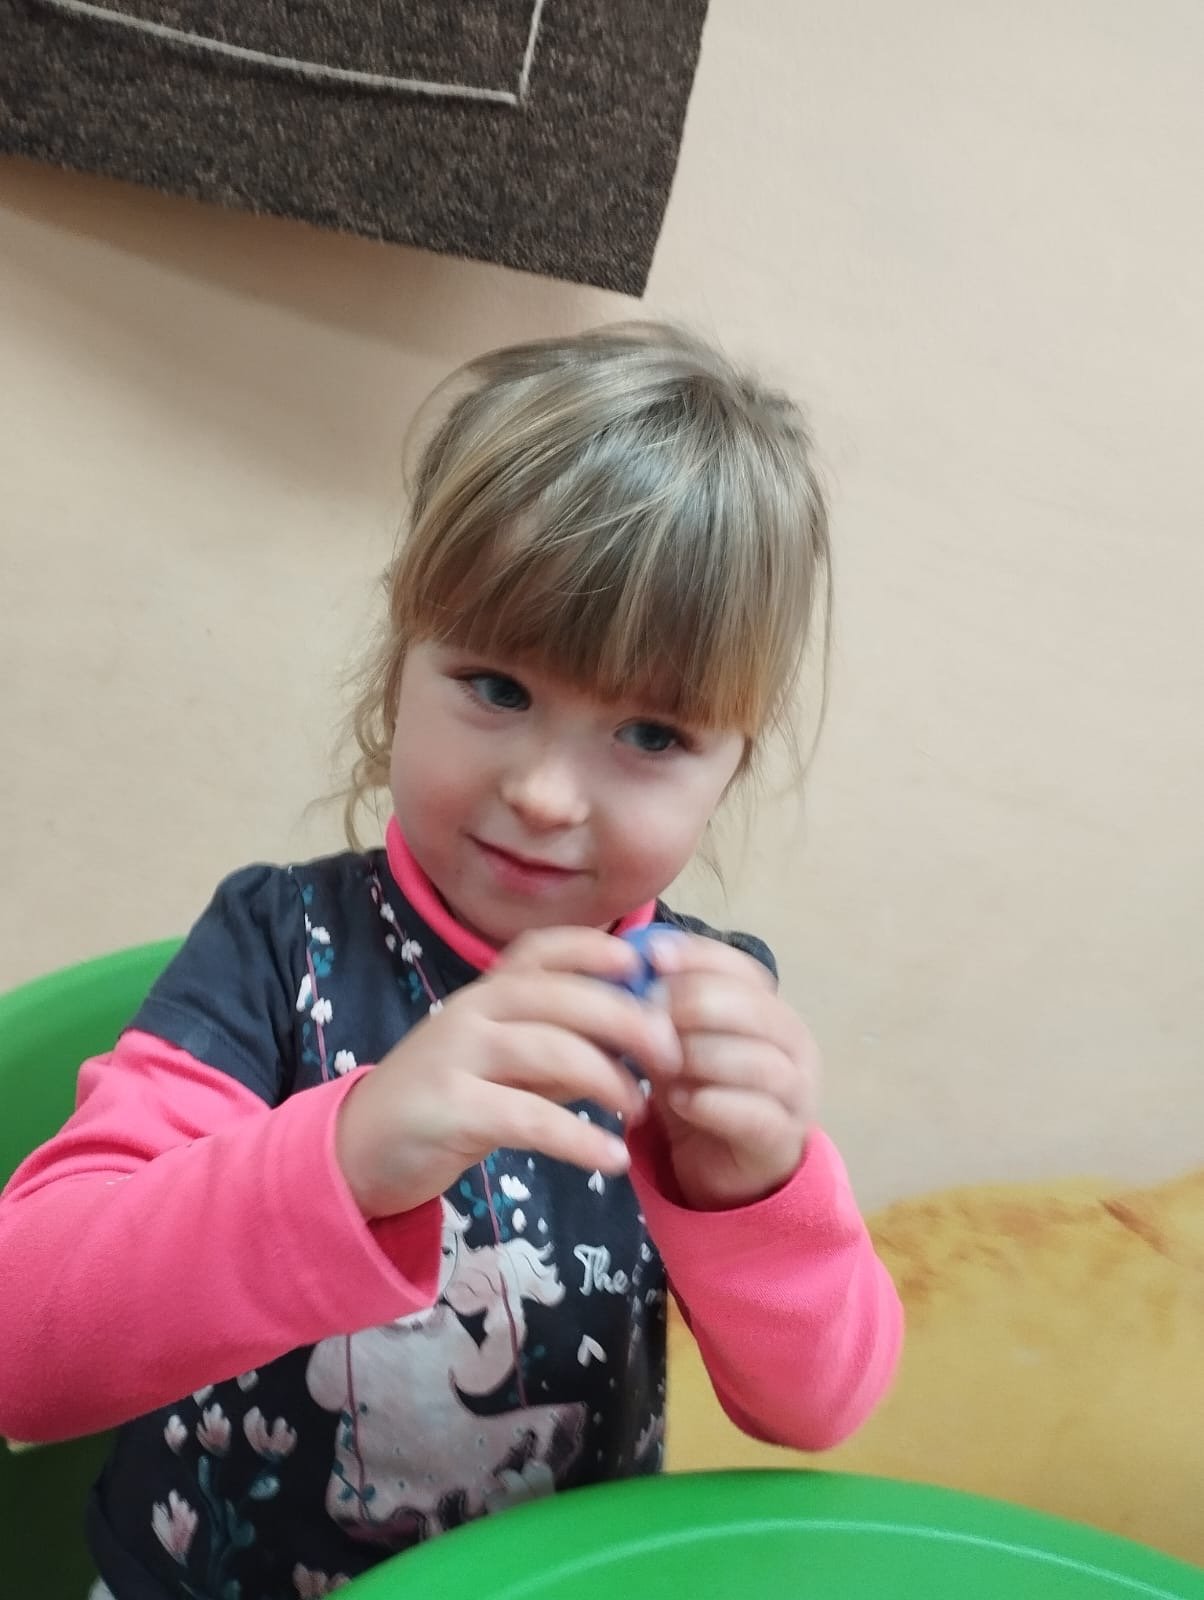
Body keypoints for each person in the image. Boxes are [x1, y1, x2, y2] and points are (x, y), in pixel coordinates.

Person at [0, 324, 902, 1600]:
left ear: (731, 765)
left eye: (651, 733)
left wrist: (757, 1193)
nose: (545, 794)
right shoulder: (275, 949)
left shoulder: (700, 1009)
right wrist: (348, 1152)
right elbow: (21, 1347)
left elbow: (819, 1406)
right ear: (399, 666)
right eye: (497, 687)